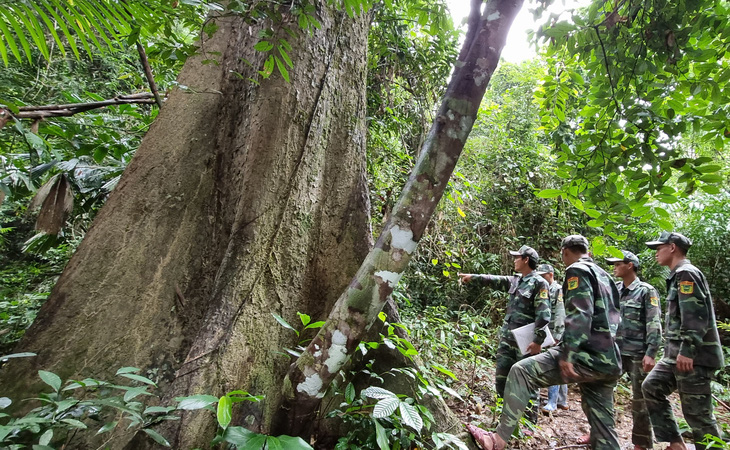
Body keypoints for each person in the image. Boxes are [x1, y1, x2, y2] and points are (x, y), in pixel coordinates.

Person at [466, 235, 622, 450]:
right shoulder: (605, 276)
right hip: (609, 360)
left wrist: (568, 354)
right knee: (604, 428)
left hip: (585, 356)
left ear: (565, 251)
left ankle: (497, 440)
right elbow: (616, 317)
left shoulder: (576, 270)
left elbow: (580, 315)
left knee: (521, 372)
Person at [643, 232, 724, 450]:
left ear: (672, 248)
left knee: (699, 417)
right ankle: (676, 443)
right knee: (651, 386)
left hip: (694, 357)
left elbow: (696, 315)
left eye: (659, 248)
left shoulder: (686, 274)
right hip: (675, 355)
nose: (656, 253)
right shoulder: (677, 275)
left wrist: (687, 350)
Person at [458, 245, 551, 423]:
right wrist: (472, 278)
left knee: (527, 380)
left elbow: (544, 314)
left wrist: (538, 341)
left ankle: (529, 423)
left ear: (526, 260)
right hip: (508, 340)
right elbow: (494, 280)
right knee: (502, 378)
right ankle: (506, 417)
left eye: (517, 257)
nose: (514, 260)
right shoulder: (516, 281)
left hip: (527, 343)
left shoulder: (539, 283)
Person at [605, 250, 662, 450]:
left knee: (640, 401)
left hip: (638, 354)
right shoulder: (614, 290)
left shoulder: (646, 291)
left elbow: (654, 323)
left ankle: (641, 443)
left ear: (630, 265)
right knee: (601, 393)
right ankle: (599, 434)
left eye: (618, 263)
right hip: (614, 352)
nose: (614, 267)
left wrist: (651, 352)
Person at [535, 263, 568, 412]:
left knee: (553, 365)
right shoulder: (544, 288)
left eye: (543, 275)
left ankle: (552, 402)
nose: (541, 278)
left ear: (551, 274)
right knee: (559, 364)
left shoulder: (557, 289)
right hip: (548, 331)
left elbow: (561, 313)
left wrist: (557, 335)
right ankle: (562, 400)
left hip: (555, 333)